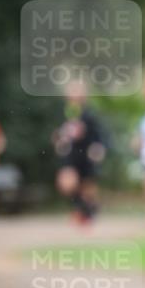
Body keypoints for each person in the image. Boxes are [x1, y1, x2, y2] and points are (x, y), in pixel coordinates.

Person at [52, 82, 108, 224]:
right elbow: (56, 134)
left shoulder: (89, 113)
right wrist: (58, 141)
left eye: (77, 92)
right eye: (71, 91)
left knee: (87, 189)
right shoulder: (63, 112)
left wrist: (98, 148)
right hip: (70, 155)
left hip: (86, 155)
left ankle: (88, 211)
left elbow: (100, 135)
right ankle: (81, 208)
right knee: (67, 184)